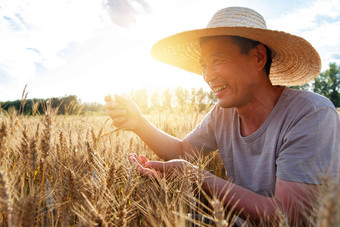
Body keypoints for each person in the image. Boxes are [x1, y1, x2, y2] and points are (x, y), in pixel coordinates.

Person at [105, 7, 340, 226]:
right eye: (203, 66)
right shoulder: (222, 114)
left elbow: (287, 217)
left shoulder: (311, 115)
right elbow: (182, 151)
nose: (207, 75)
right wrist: (138, 123)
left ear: (258, 57)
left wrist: (195, 176)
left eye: (217, 60)